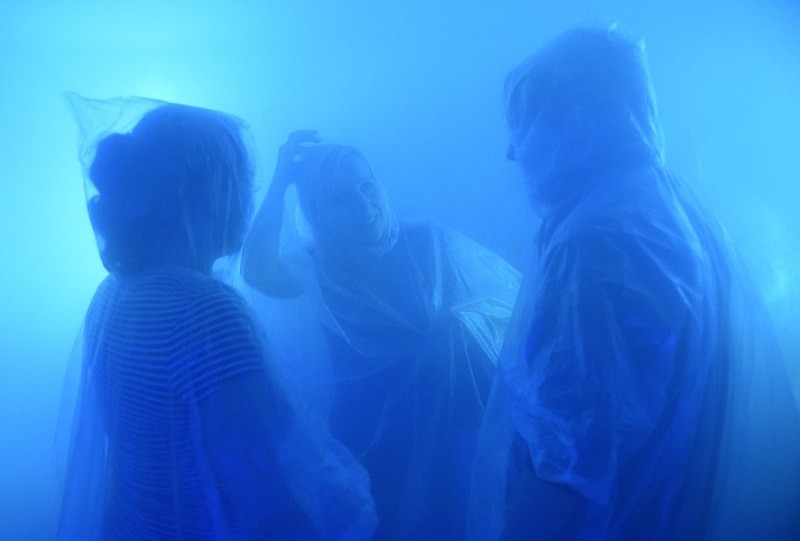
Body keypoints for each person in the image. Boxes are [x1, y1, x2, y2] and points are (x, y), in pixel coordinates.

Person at [468, 27, 800, 540]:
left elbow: (572, 458)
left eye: (523, 122)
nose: (512, 150)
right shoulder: (666, 208)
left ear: (573, 119)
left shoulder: (595, 246)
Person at [56, 97, 377, 539]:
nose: (244, 195)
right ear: (206, 191)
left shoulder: (113, 293)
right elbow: (274, 483)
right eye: (239, 178)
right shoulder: (206, 311)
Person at [240, 132, 520, 539]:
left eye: (366, 186)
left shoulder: (426, 241)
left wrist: (457, 329)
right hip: (370, 444)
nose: (363, 204)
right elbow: (255, 270)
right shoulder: (317, 266)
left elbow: (505, 311)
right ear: (316, 210)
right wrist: (281, 180)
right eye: (341, 197)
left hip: (445, 439)